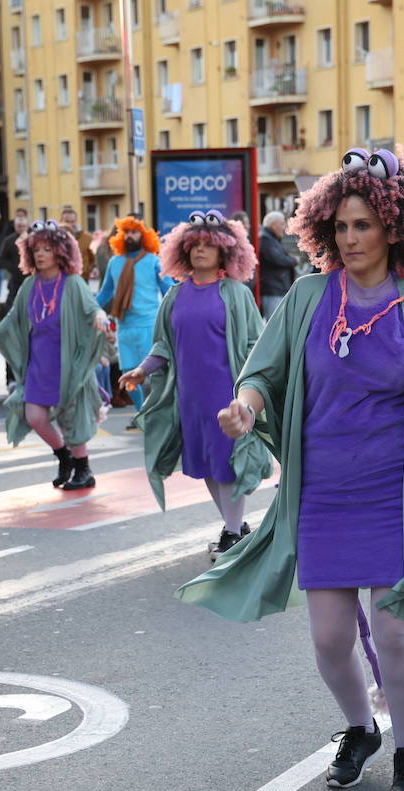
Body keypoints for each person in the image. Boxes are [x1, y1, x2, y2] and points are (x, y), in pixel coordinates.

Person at [180, 147, 404, 791]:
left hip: (390, 491)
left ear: (395, 230)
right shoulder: (310, 296)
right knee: (328, 637)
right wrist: (246, 406)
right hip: (321, 488)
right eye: (341, 227)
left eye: (364, 226)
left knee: (392, 630)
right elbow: (263, 368)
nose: (350, 239)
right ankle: (360, 729)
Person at [120, 211, 270, 558]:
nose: (201, 250)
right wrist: (142, 370)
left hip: (227, 393)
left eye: (209, 245)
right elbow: (163, 346)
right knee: (206, 463)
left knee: (229, 461)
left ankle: (233, 532)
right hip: (189, 397)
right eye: (195, 245)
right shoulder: (175, 296)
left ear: (225, 251)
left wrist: (253, 389)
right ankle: (236, 527)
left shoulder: (236, 293)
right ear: (183, 250)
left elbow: (255, 344)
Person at [0, 219, 109, 489]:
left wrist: (100, 318)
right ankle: (64, 457)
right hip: (39, 363)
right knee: (35, 417)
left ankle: (83, 469)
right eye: (36, 249)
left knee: (71, 418)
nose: (40, 254)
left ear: (60, 252)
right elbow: (14, 316)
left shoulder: (73, 283)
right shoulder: (30, 285)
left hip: (68, 364)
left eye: (46, 249)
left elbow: (93, 309)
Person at [97, 216, 171, 416]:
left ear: (144, 235)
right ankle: (144, 415)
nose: (130, 236)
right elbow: (104, 294)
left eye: (134, 231)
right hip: (125, 327)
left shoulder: (153, 261)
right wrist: (87, 309)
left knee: (154, 375)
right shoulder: (115, 262)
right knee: (126, 376)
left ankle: (159, 414)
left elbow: (170, 290)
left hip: (149, 325)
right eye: (126, 232)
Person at [258, 210, 297, 319]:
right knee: (274, 324)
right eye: (281, 224)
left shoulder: (270, 239)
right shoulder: (265, 239)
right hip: (273, 290)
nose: (284, 228)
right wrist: (294, 260)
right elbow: (278, 259)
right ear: (272, 224)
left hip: (277, 289)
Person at [0, 211, 30, 320]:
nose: (21, 228)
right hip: (16, 277)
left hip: (30, 276)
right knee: (12, 302)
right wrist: (13, 268)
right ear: (15, 227)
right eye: (19, 226)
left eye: (23, 226)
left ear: (27, 226)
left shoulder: (32, 239)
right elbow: (1, 259)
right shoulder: (9, 240)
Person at [60, 206, 96, 282]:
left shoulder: (87, 238)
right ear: (61, 221)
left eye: (72, 221)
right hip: (61, 279)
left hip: (82, 279)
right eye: (66, 221)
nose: (69, 224)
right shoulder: (54, 239)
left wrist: (87, 270)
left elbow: (93, 259)